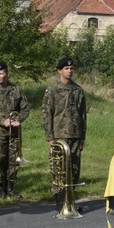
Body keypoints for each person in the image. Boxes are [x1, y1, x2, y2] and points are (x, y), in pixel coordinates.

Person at [42, 57, 87, 210]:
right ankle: (59, 201)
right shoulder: (52, 90)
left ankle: (71, 201)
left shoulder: (78, 90)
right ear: (60, 70)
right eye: (66, 69)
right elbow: (47, 113)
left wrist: (82, 137)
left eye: (71, 68)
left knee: (74, 169)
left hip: (75, 135)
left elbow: (83, 116)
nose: (69, 71)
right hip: (59, 135)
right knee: (59, 169)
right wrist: (50, 137)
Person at [0, 61, 30, 199]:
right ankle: (0, 188)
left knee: (13, 160)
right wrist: (2, 121)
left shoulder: (16, 89)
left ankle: (11, 188)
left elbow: (25, 107)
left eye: (1, 73)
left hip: (14, 132)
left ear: (7, 73)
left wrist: (19, 119)